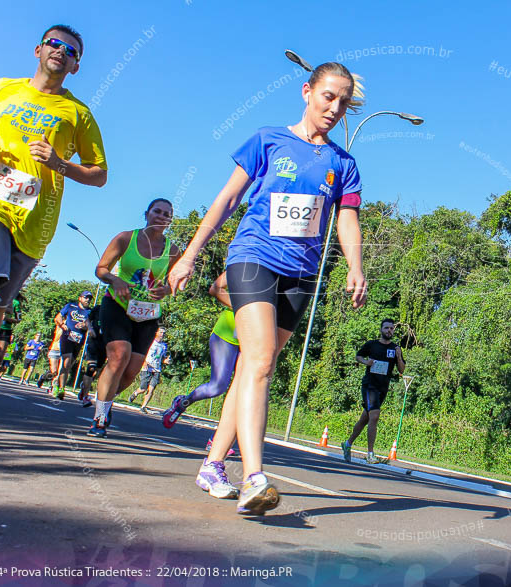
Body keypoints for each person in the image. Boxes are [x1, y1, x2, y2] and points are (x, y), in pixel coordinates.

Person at [169, 62, 367, 514]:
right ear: (307, 91)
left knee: (254, 370)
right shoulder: (267, 139)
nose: (334, 108)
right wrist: (191, 253)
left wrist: (355, 266)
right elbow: (228, 198)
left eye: (343, 101)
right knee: (258, 362)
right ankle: (254, 478)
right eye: (328, 96)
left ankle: (212, 464)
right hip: (253, 258)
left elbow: (348, 219)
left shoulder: (343, 163)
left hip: (302, 274)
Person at [0, 25, 107, 413]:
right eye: (54, 44)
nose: (61, 51)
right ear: (38, 50)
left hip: (34, 220)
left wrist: (60, 163)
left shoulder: (78, 114)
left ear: (76, 66)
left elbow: (99, 174)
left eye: (71, 51)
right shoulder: (3, 89)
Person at [88, 198, 180, 438]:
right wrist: (116, 280)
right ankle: (99, 417)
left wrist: (167, 290)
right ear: (147, 214)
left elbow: (176, 282)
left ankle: (104, 400)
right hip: (117, 305)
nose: (161, 216)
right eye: (157, 211)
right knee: (119, 357)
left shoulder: (172, 250)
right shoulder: (125, 238)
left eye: (166, 214)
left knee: (131, 371)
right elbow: (101, 269)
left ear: (170, 220)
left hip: (147, 313)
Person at [162, 272, 237, 429]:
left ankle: (219, 440)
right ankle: (183, 402)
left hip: (255, 340)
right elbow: (215, 289)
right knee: (217, 387)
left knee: (245, 393)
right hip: (227, 335)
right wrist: (246, 308)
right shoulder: (244, 262)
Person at [342, 319, 406, 464]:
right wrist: (366, 362)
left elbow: (402, 370)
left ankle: (347, 444)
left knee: (366, 418)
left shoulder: (396, 348)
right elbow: (358, 356)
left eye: (391, 328)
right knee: (375, 416)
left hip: (383, 388)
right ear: (381, 329)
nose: (389, 330)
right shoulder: (372, 345)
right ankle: (370, 454)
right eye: (386, 328)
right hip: (370, 385)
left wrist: (398, 356)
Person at [51, 291, 92, 399]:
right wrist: (62, 324)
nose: (88, 300)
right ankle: (61, 389)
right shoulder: (70, 306)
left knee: (69, 365)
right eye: (86, 297)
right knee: (66, 361)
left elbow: (90, 326)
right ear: (80, 298)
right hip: (67, 337)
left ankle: (56, 382)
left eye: (90, 298)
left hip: (78, 340)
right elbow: (58, 317)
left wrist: (85, 326)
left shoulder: (89, 312)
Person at [129, 327, 170, 412]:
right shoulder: (150, 342)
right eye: (161, 332)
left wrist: (165, 361)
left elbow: (162, 358)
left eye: (164, 333)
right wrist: (144, 362)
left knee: (151, 389)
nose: (162, 334)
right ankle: (135, 393)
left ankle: (143, 407)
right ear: (156, 333)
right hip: (147, 367)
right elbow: (142, 352)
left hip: (157, 369)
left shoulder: (164, 346)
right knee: (143, 389)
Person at [77, 300, 105, 408]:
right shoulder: (98, 308)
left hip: (105, 344)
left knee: (98, 371)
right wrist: (90, 328)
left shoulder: (118, 311)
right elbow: (87, 319)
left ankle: (84, 386)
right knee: (91, 368)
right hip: (94, 340)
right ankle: (85, 397)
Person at [36, 324, 63, 389]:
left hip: (66, 351)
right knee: (54, 372)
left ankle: (53, 386)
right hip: (55, 349)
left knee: (61, 371)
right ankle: (43, 377)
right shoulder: (62, 324)